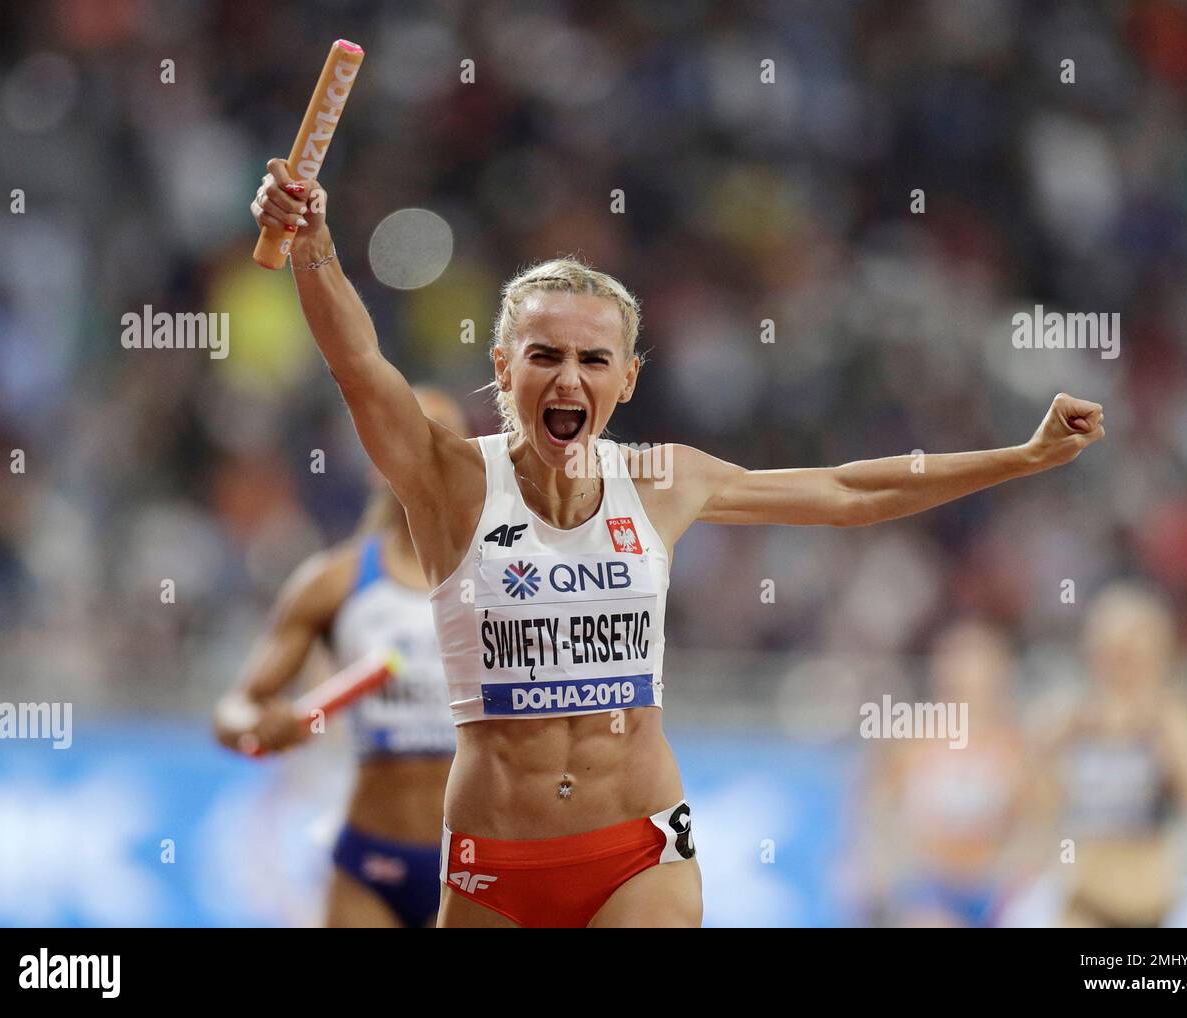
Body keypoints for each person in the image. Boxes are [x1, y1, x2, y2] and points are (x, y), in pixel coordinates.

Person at [249, 159, 1106, 927]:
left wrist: (1023, 456)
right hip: (490, 865)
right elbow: (359, 365)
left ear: (627, 377)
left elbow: (850, 491)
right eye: (544, 354)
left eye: (594, 359)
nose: (568, 377)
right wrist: (313, 241)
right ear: (503, 367)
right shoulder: (449, 481)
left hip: (640, 852)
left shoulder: (664, 479)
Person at [214, 387, 469, 928]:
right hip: (369, 861)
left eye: (442, 442)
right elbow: (235, 708)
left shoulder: (507, 579)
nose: (424, 454)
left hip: (477, 867)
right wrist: (262, 728)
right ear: (378, 457)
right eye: (404, 438)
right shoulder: (334, 583)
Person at [1037, 583, 1187, 927]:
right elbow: (1038, 802)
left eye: (1132, 651)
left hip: (1151, 901)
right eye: (1112, 651)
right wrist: (1063, 738)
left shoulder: (1174, 714)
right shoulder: (1071, 715)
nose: (1121, 663)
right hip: (1085, 898)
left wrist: (1156, 728)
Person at [866, 622, 1037, 927]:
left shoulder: (1013, 743)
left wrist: (1016, 872)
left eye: (978, 665)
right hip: (930, 885)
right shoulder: (915, 739)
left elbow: (1035, 819)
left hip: (991, 885)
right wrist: (886, 869)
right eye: (957, 663)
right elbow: (877, 808)